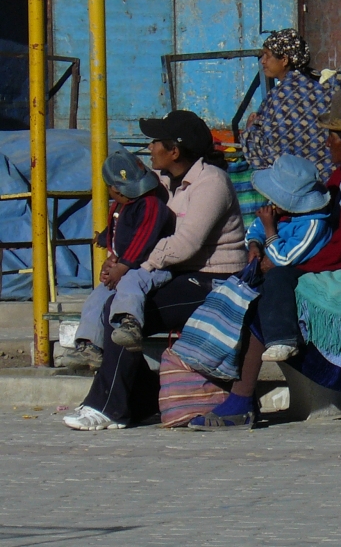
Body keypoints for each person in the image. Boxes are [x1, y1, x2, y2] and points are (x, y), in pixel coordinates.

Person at [189, 87, 341, 430]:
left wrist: (285, 264)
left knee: (279, 286)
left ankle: (242, 399)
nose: (327, 143)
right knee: (270, 288)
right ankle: (241, 396)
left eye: (331, 136)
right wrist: (262, 247)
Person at [63, 110, 247, 431]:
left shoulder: (211, 184)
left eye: (155, 143)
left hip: (213, 281)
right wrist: (120, 257)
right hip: (177, 273)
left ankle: (108, 408)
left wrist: (132, 265)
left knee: (128, 311)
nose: (149, 149)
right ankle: (138, 399)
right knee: (119, 306)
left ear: (174, 151)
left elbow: (185, 244)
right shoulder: (160, 183)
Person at [64, 150, 174, 370]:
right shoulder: (120, 207)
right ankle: (89, 346)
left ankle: (130, 324)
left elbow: (143, 238)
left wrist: (122, 267)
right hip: (125, 265)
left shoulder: (150, 205)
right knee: (97, 297)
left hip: (148, 267)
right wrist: (105, 241)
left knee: (130, 283)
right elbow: (118, 233)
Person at [244, 153, 334, 361]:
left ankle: (283, 339)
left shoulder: (314, 224)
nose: (271, 202)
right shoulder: (277, 211)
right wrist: (254, 245)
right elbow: (253, 230)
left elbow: (284, 259)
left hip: (302, 270)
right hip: (274, 258)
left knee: (277, 279)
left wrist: (269, 228)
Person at [242, 29, 341, 179]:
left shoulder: (280, 97)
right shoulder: (318, 86)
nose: (263, 61)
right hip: (332, 178)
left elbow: (267, 150)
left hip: (297, 183)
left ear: (284, 60)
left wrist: (250, 130)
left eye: (267, 55)